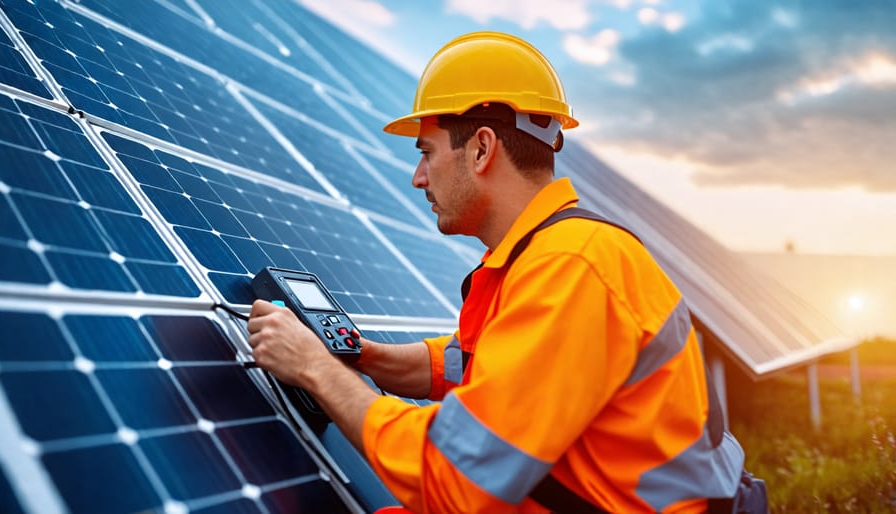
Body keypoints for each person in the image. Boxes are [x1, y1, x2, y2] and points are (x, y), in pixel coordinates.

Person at [247, 31, 745, 513]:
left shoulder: (571, 268)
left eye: (427, 152)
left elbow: (454, 480)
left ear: (482, 149)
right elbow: (503, 370)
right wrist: (374, 359)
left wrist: (317, 369)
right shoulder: (550, 253)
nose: (417, 176)